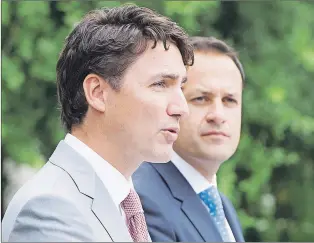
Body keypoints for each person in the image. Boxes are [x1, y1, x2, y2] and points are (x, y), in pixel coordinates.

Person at [1, 4, 194, 242]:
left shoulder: (122, 202)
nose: (182, 108)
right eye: (160, 84)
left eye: (181, 87)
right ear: (97, 92)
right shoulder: (52, 209)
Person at [133, 36, 245, 242]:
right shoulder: (142, 199)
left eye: (230, 100)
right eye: (201, 99)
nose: (218, 115)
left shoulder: (222, 205)